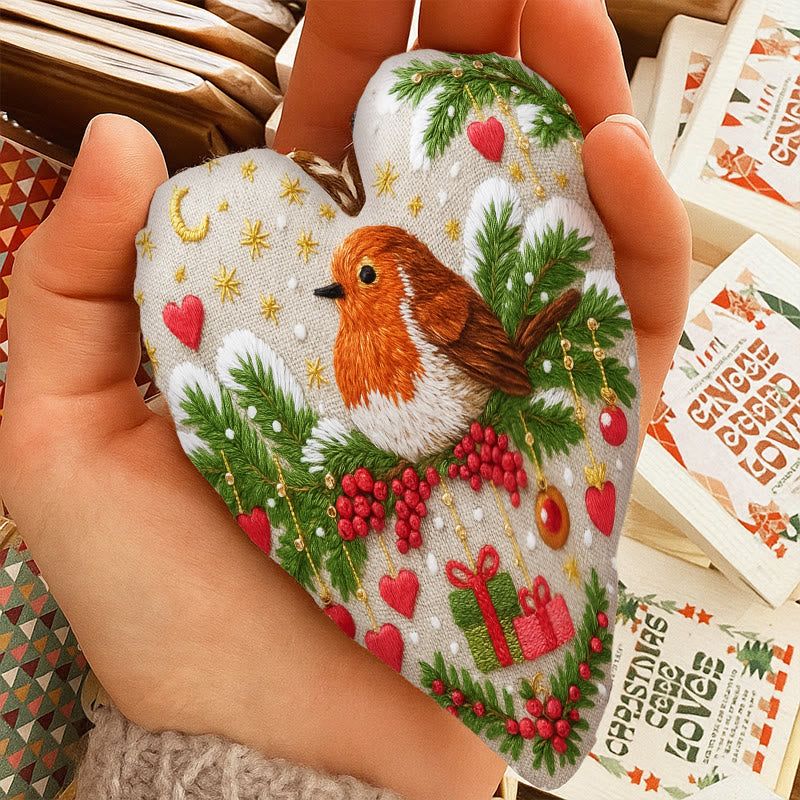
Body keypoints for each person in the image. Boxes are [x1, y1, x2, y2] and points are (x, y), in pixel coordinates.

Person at [0, 1, 691, 798]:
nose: (341, 292)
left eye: (362, 278)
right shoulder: (349, 339)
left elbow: (474, 362)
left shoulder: (425, 309)